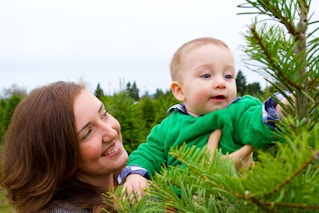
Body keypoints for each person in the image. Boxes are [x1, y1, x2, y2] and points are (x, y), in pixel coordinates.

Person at [119, 37, 293, 199]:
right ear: (180, 91)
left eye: (228, 76)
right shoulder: (169, 126)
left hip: (228, 201)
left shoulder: (236, 113)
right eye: (206, 76)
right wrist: (136, 175)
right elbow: (148, 153)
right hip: (178, 205)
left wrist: (286, 103)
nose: (221, 83)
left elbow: (257, 121)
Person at [0, 81, 129, 212]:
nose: (111, 133)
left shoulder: (135, 183)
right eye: (88, 133)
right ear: (60, 157)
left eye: (104, 114)